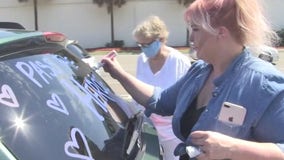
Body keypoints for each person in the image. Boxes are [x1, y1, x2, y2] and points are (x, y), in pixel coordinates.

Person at [102, 0, 284, 159]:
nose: (190, 38)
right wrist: (118, 73)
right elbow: (160, 101)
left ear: (220, 33)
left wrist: (232, 149)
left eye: (196, 29)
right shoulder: (200, 71)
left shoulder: (264, 83)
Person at [132, 16, 192, 160]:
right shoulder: (142, 60)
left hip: (172, 131)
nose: (144, 49)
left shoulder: (179, 61)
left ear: (161, 39)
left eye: (146, 45)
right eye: (140, 45)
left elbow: (188, 98)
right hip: (147, 126)